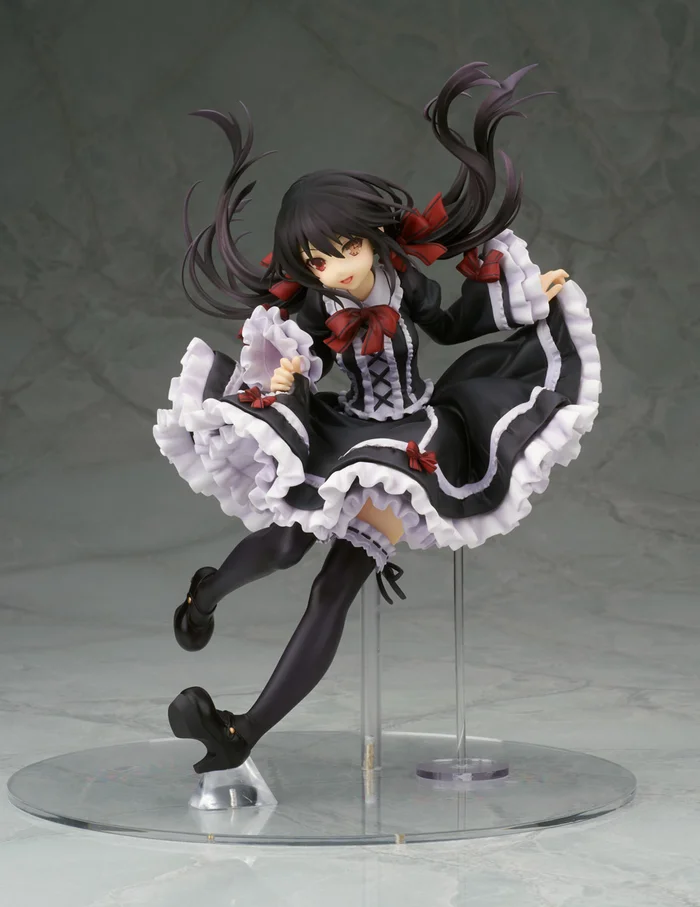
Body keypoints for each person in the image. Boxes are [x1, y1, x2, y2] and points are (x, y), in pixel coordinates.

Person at [153, 62, 601, 774]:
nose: (336, 268)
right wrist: (288, 373)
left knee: (334, 589)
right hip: (346, 430)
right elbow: (303, 357)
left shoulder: (403, 281)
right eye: (317, 261)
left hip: (415, 440)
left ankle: (242, 731)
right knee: (284, 545)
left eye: (345, 249)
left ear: (370, 235)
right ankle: (204, 593)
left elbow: (450, 325)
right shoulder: (314, 305)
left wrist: (518, 302)